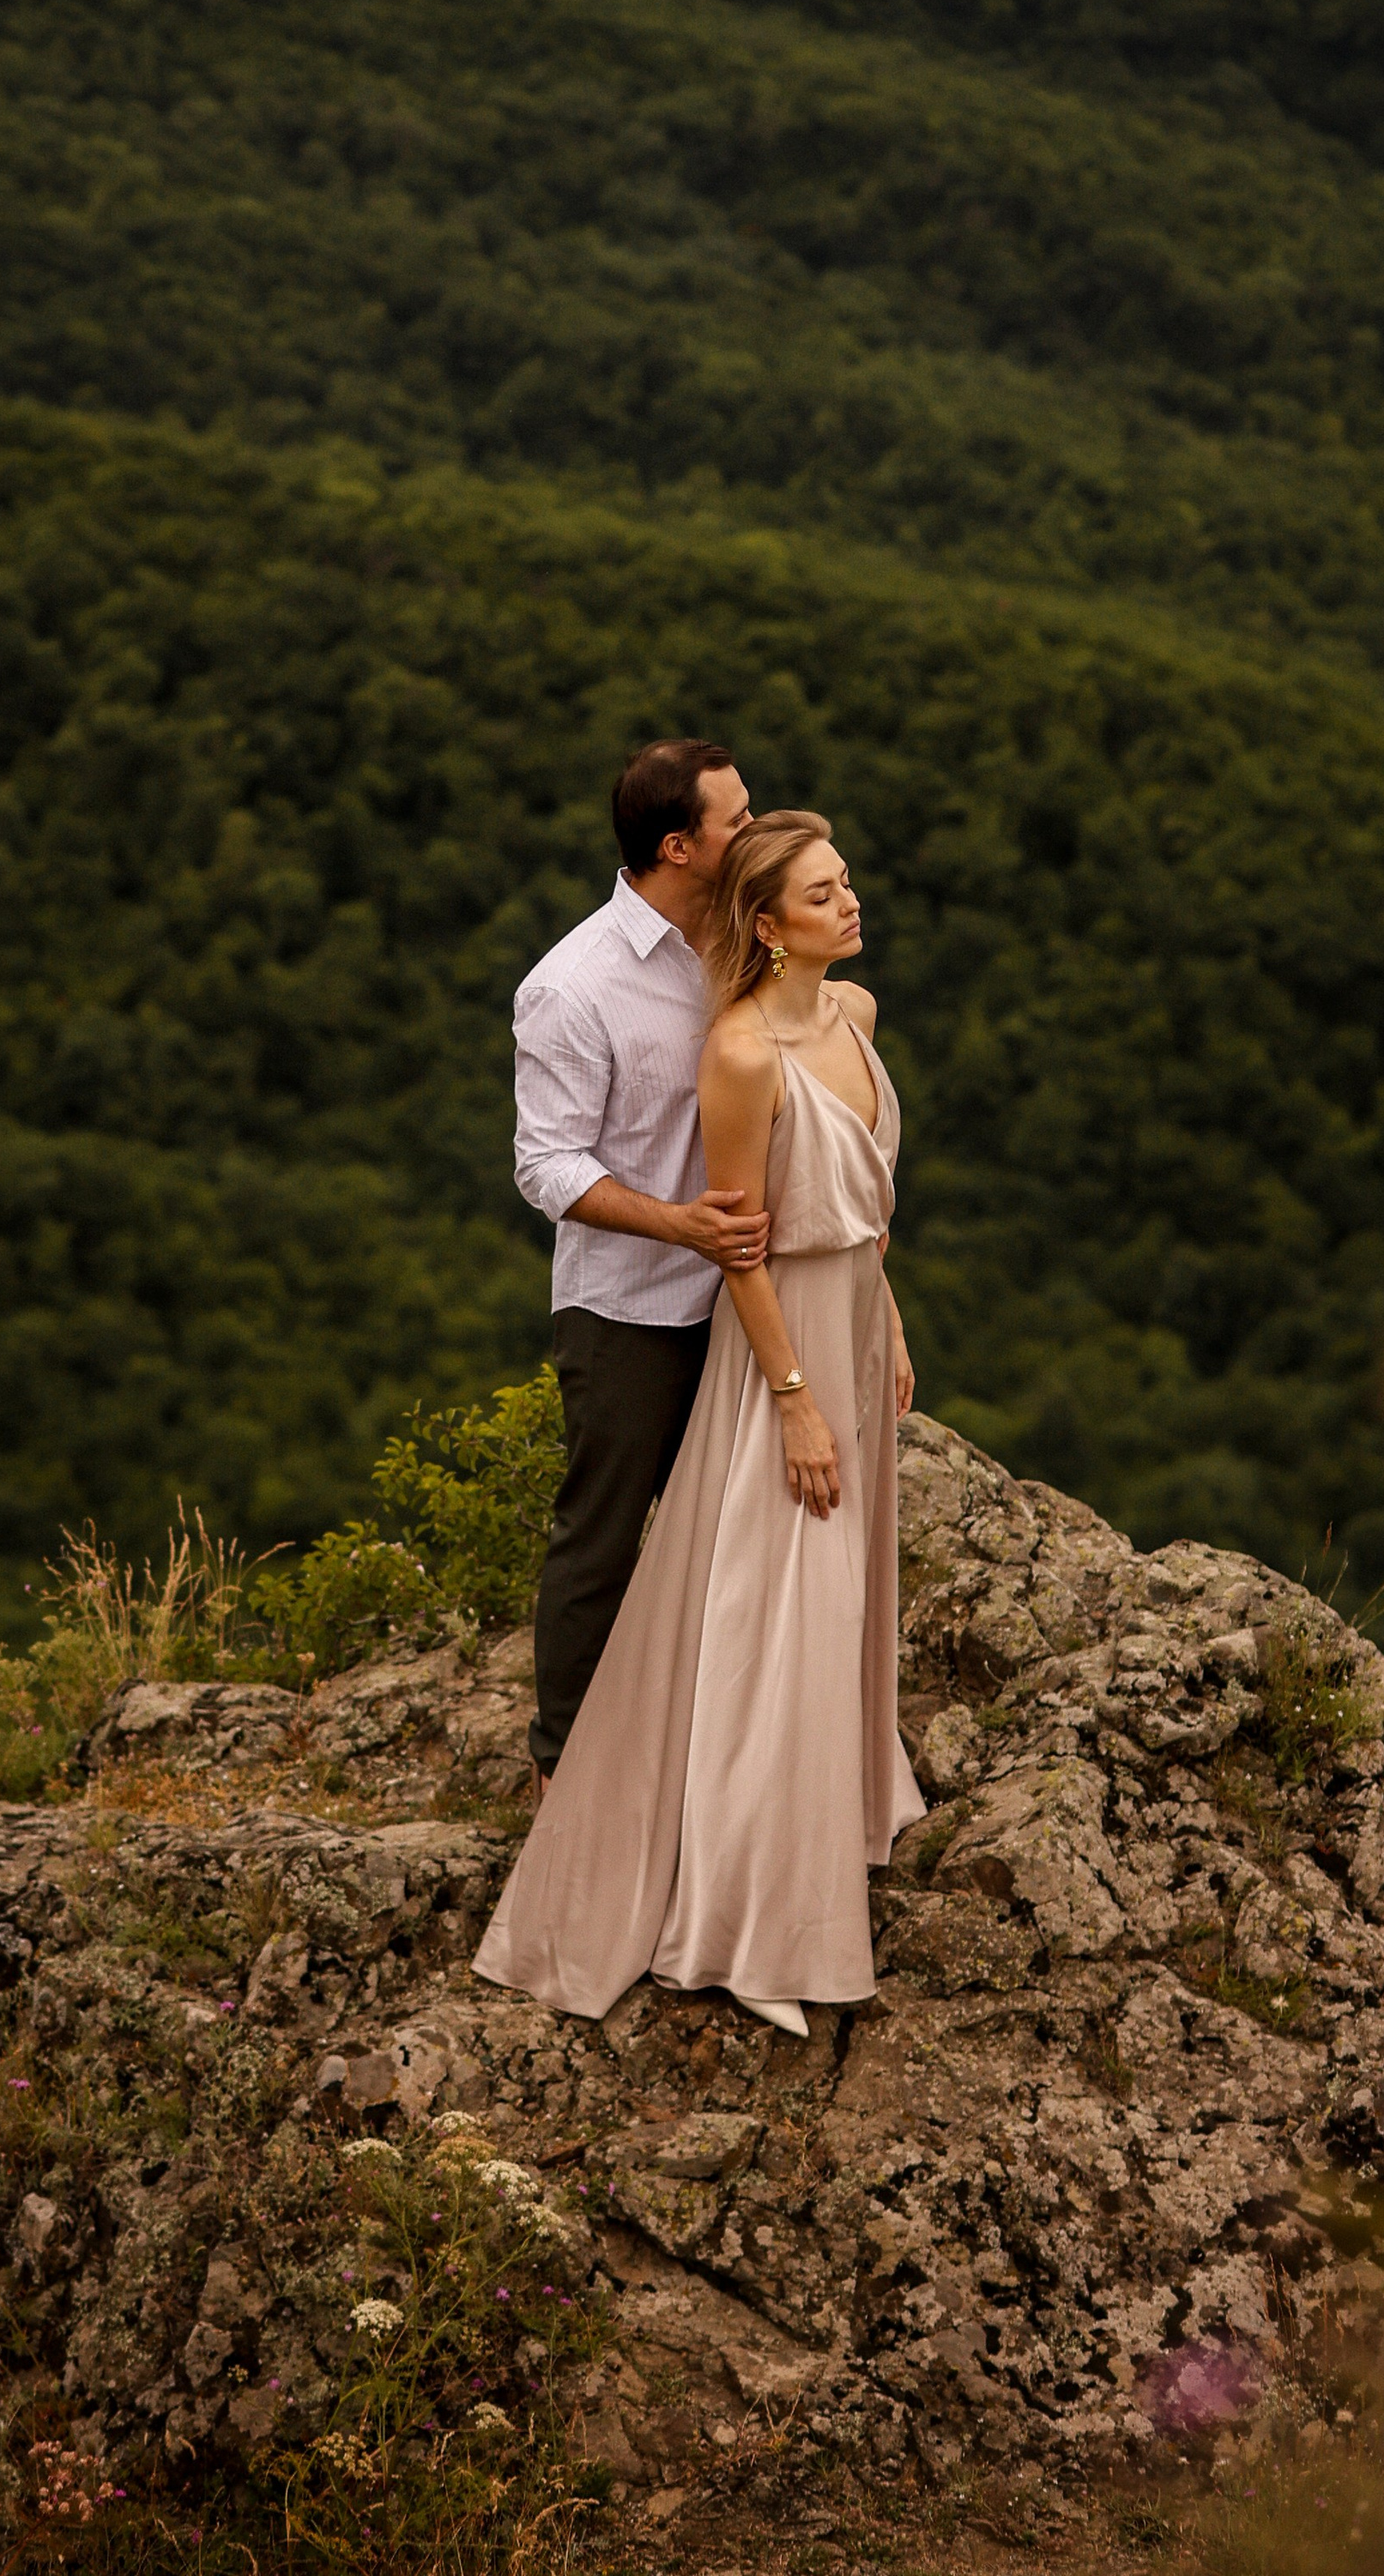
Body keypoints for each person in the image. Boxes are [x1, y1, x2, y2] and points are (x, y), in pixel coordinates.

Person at [476, 810, 923, 2033]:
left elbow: (864, 1215)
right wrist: (793, 1406)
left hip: (851, 1318)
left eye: (848, 882)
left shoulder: (860, 1016)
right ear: (769, 928)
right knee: (770, 1610)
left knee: (834, 1602)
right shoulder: (736, 1055)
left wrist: (886, 1325)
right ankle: (745, 1916)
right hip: (780, 1346)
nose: (852, 903)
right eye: (826, 894)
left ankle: (835, 1815)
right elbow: (741, 1246)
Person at [511, 739, 770, 1795]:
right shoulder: (574, 987)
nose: (755, 830)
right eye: (737, 822)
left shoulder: (751, 941)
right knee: (604, 1541)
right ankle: (565, 1777)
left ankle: (714, 1757)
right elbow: (544, 1165)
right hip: (628, 1308)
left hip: (748, 1296)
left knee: (736, 1534)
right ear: (679, 847)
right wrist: (679, 1227)